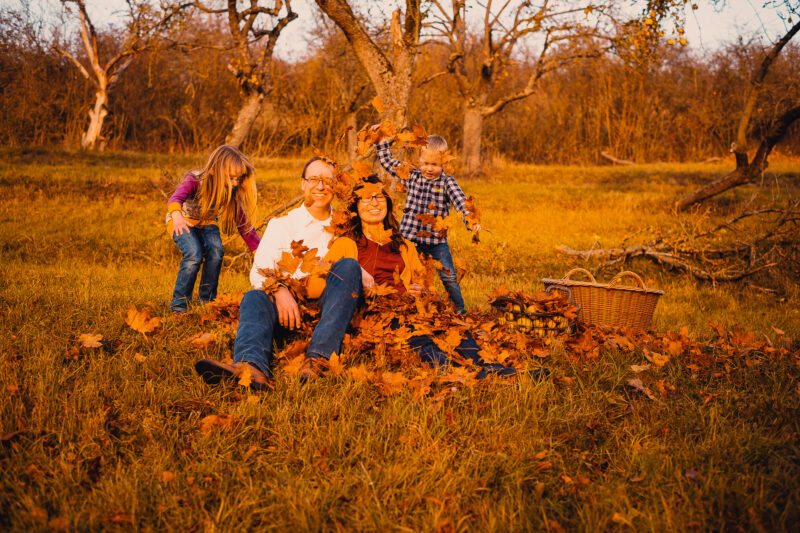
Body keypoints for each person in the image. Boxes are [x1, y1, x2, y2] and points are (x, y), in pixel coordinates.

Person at [307, 175, 518, 378]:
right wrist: (353, 272)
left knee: (452, 328)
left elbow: (429, 290)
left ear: (388, 204)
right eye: (366, 197)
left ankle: (493, 368)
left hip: (407, 309)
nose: (374, 203)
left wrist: (423, 292)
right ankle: (459, 374)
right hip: (375, 317)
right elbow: (314, 287)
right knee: (419, 338)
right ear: (356, 207)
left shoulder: (405, 246)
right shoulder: (346, 244)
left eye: (379, 197)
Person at [194, 157, 362, 390]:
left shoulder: (347, 224)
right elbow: (258, 269)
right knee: (254, 296)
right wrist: (280, 290)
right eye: (314, 179)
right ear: (303, 184)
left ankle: (318, 359)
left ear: (336, 184)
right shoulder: (282, 224)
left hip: (329, 307)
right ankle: (252, 367)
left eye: (327, 180)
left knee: (350, 267)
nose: (321, 186)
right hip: (286, 312)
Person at [373, 130, 478, 314]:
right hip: (410, 240)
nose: (429, 169)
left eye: (435, 164)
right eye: (425, 163)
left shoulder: (447, 182)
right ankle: (407, 307)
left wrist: (471, 221)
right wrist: (380, 141)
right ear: (419, 160)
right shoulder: (412, 175)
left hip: (436, 243)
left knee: (449, 277)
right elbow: (388, 162)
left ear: (444, 162)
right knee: (408, 274)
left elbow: (461, 202)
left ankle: (459, 309)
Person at [166, 145, 260, 313]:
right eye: (231, 178)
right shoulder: (194, 179)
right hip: (182, 220)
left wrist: (258, 250)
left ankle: (207, 300)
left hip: (208, 221)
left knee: (216, 252)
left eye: (238, 178)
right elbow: (175, 199)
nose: (235, 183)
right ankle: (179, 305)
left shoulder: (231, 190)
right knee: (194, 254)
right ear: (214, 171)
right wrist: (177, 217)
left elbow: (243, 224)